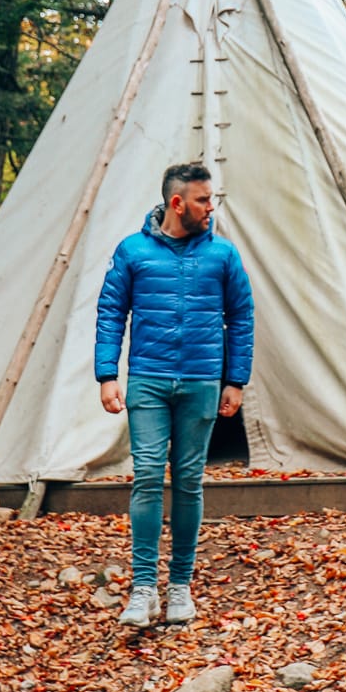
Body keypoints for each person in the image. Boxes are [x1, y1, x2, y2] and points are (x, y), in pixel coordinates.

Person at [94, 162, 254, 628]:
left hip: (202, 382)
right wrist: (107, 374)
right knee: (146, 476)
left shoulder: (223, 255)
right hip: (148, 378)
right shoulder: (132, 251)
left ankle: (180, 587)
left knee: (188, 481)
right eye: (204, 200)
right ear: (177, 203)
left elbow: (241, 317)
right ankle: (144, 589)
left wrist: (234, 380)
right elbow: (110, 312)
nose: (211, 207)